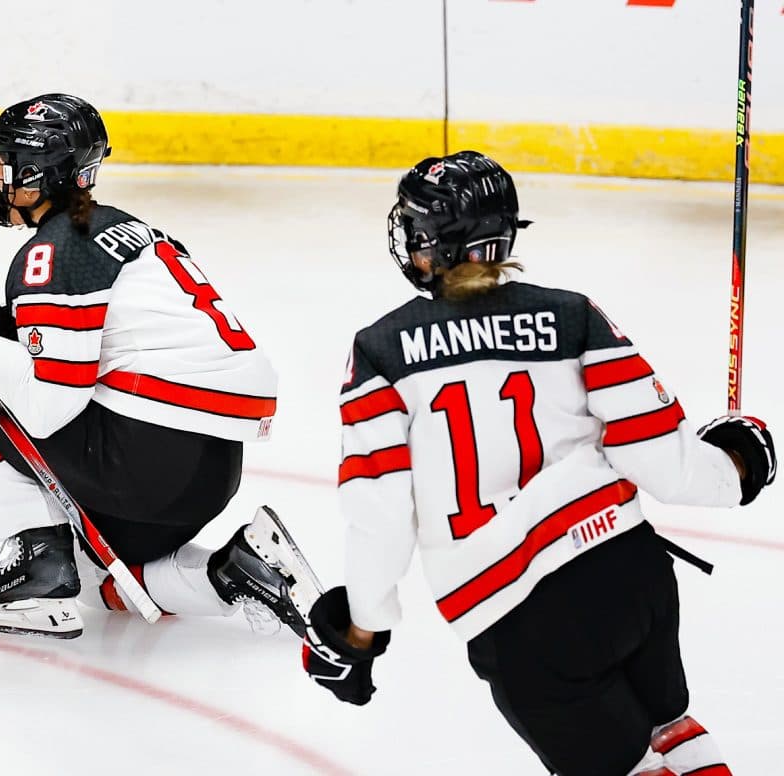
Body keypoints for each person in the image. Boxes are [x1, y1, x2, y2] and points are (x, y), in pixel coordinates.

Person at [300, 151, 776, 775]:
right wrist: (735, 467)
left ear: (434, 245)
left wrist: (362, 629)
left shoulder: (382, 351)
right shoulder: (573, 315)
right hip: (632, 574)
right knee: (670, 726)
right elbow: (663, 458)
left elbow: (381, 512)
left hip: (523, 620)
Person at [0, 93, 320, 640]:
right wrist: (1, 334)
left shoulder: (53, 251)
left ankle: (36, 553)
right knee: (95, 583)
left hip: (149, 462)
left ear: (37, 174)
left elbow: (47, 406)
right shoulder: (130, 231)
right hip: (210, 470)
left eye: (8, 165)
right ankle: (236, 568)